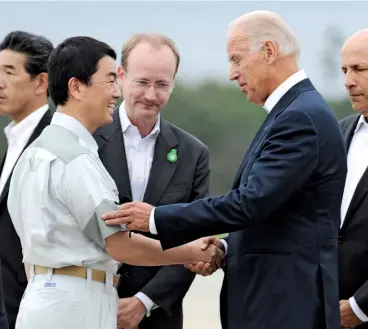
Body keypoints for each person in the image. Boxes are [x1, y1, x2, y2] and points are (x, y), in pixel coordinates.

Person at [102, 10, 348, 329]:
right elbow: (275, 214)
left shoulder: (299, 118)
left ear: (269, 52)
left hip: (284, 305)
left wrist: (153, 218)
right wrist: (224, 246)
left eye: (236, 59)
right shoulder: (295, 113)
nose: (232, 73)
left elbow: (250, 203)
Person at [6, 36, 223, 329]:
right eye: (109, 81)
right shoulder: (76, 159)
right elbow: (118, 244)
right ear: (76, 86)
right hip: (76, 306)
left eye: (162, 84)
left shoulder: (34, 151)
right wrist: (192, 252)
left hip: (47, 300)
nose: (115, 93)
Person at [94, 33, 210, 329]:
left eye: (162, 85)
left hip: (159, 316)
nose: (151, 95)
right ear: (121, 76)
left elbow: (194, 239)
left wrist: (144, 302)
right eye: (142, 82)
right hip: (90, 307)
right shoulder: (88, 140)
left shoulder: (193, 153)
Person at [0, 31, 53, 329]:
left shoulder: (52, 143)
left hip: (31, 309)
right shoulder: (14, 139)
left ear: (41, 82)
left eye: (9, 72)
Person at [338, 29, 368, 329]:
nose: (348, 80)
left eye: (359, 69)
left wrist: (361, 306)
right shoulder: (338, 132)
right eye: (344, 70)